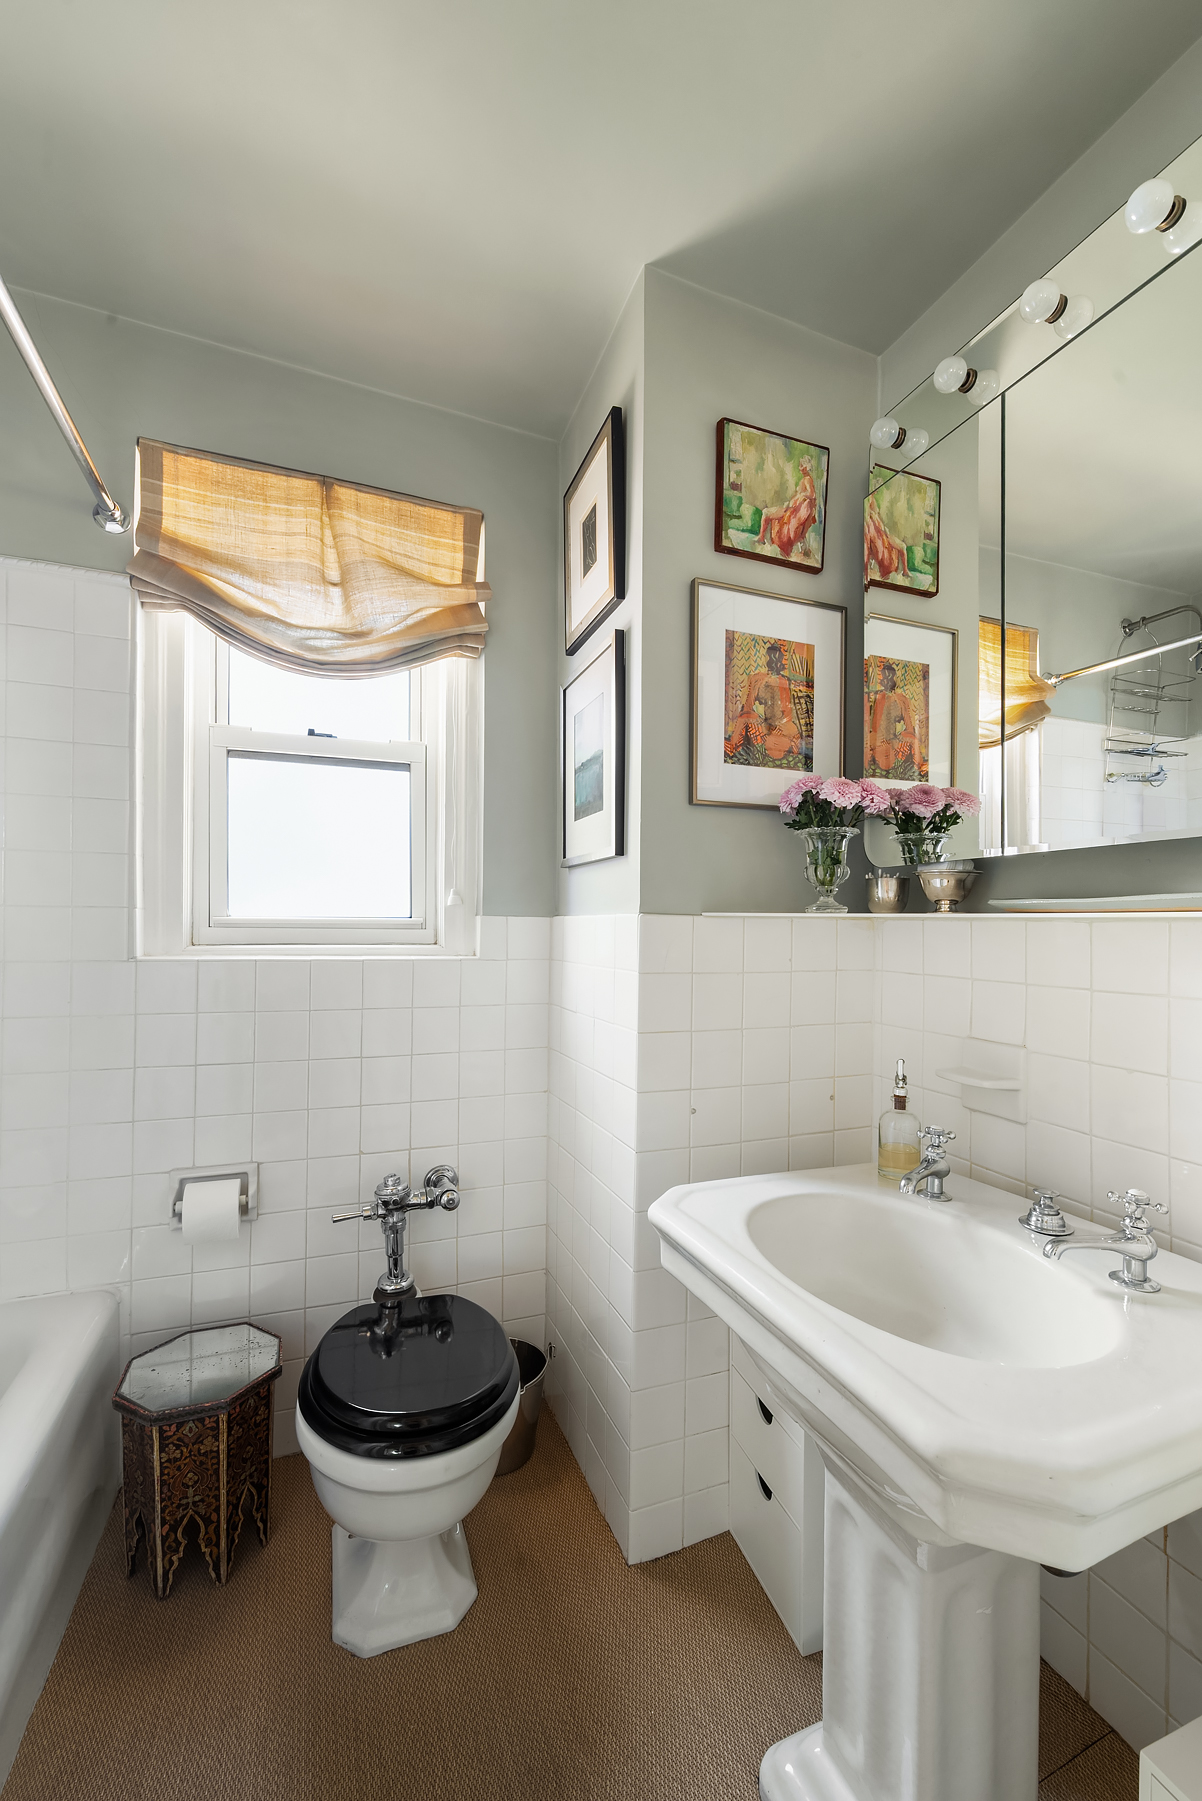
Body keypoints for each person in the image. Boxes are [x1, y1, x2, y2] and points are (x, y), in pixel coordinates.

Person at [867, 660, 921, 778]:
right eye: (884, 676)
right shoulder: (877, 696)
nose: (886, 679)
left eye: (890, 676)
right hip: (878, 740)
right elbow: (873, 727)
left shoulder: (901, 699)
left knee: (913, 740)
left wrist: (902, 738)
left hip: (892, 740)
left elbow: (909, 727)